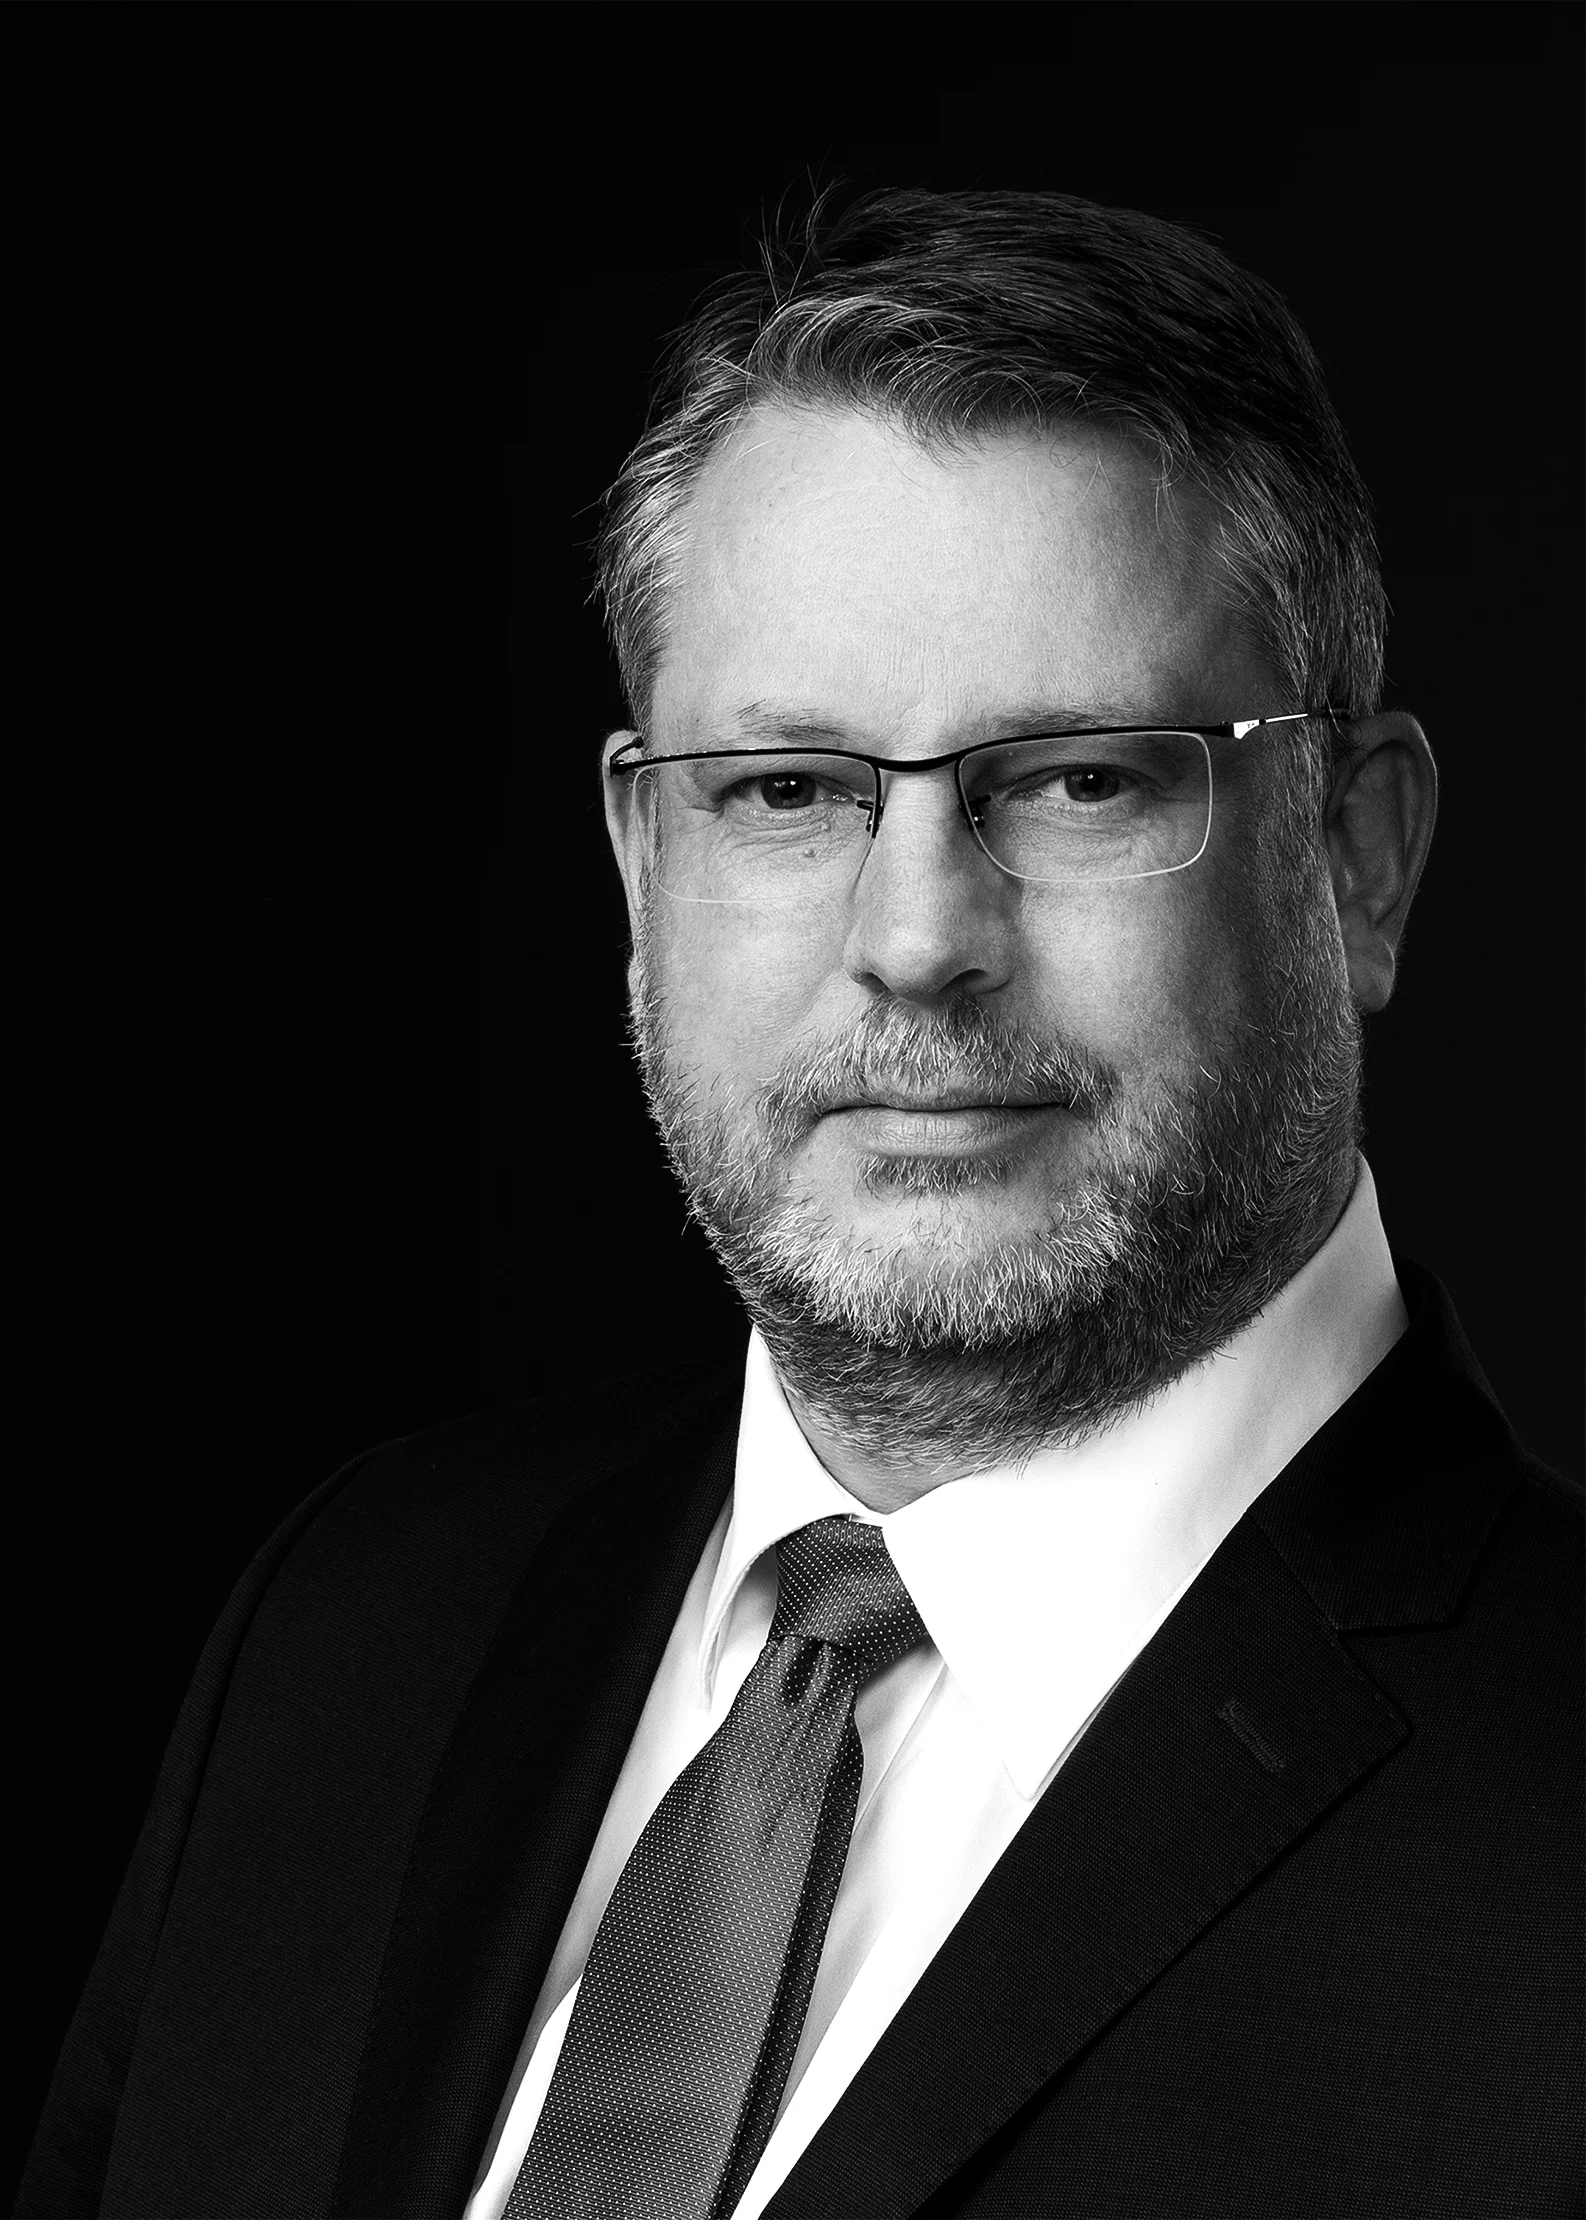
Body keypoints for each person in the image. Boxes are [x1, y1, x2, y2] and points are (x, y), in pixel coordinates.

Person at [18, 187, 1580, 2220]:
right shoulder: (356, 1628)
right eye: (786, 791)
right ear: (638, 861)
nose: (915, 941)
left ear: (1356, 857)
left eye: (1079, 780)